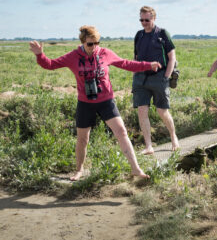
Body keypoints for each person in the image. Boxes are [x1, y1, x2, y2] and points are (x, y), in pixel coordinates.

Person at [29, 26, 161, 181]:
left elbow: (126, 63)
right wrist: (40, 55)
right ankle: (79, 170)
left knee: (121, 132)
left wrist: (148, 65)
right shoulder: (74, 56)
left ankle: (136, 169)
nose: (94, 47)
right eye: (90, 44)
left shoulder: (105, 53)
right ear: (83, 42)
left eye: (96, 43)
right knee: (82, 139)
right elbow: (51, 65)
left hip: (106, 101)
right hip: (85, 103)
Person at [132, 6, 179, 155]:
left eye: (147, 19)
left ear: (154, 18)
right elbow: (136, 57)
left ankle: (173, 138)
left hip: (159, 77)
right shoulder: (138, 35)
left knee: (162, 111)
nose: (144, 22)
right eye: (141, 20)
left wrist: (166, 76)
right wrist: (135, 74)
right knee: (141, 110)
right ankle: (149, 146)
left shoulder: (163, 33)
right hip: (140, 78)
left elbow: (172, 57)